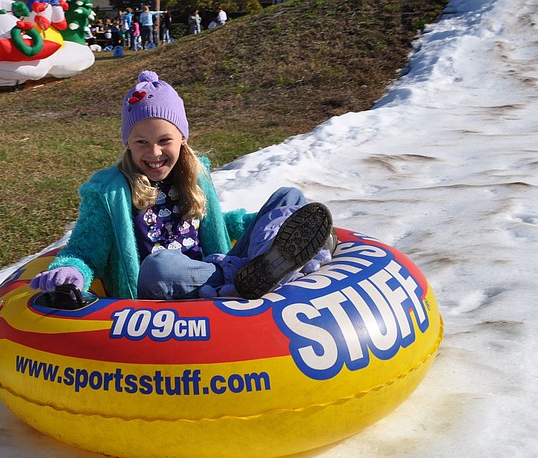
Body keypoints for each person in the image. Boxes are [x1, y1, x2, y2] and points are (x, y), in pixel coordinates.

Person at [30, 70, 334, 301]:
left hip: (214, 270)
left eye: (165, 141)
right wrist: (73, 272)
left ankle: (263, 267)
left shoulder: (192, 176)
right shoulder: (110, 192)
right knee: (159, 265)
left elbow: (215, 226)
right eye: (141, 142)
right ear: (127, 144)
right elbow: (85, 249)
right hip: (162, 288)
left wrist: (259, 224)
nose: (154, 153)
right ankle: (252, 273)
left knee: (287, 197)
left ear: (182, 139)